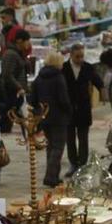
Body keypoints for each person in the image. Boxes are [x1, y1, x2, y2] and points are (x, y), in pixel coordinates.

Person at [28, 51, 71, 189]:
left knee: (51, 147)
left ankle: (53, 176)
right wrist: (69, 111)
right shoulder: (59, 78)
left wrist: (38, 111)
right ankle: (51, 177)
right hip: (59, 118)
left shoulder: (39, 77)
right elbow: (63, 99)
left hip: (44, 117)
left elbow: (32, 98)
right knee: (58, 147)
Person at [62, 43, 105, 176]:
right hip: (68, 108)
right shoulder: (64, 68)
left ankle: (82, 164)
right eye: (77, 57)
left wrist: (104, 94)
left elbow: (98, 82)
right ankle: (73, 163)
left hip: (83, 107)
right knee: (69, 138)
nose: (80, 59)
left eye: (82, 56)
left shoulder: (88, 67)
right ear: (71, 55)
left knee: (83, 138)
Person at [1, 30, 32, 118]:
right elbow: (7, 75)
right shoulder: (11, 54)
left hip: (17, 93)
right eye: (27, 40)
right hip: (11, 94)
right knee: (11, 118)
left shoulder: (19, 53)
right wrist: (19, 87)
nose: (29, 43)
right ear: (19, 41)